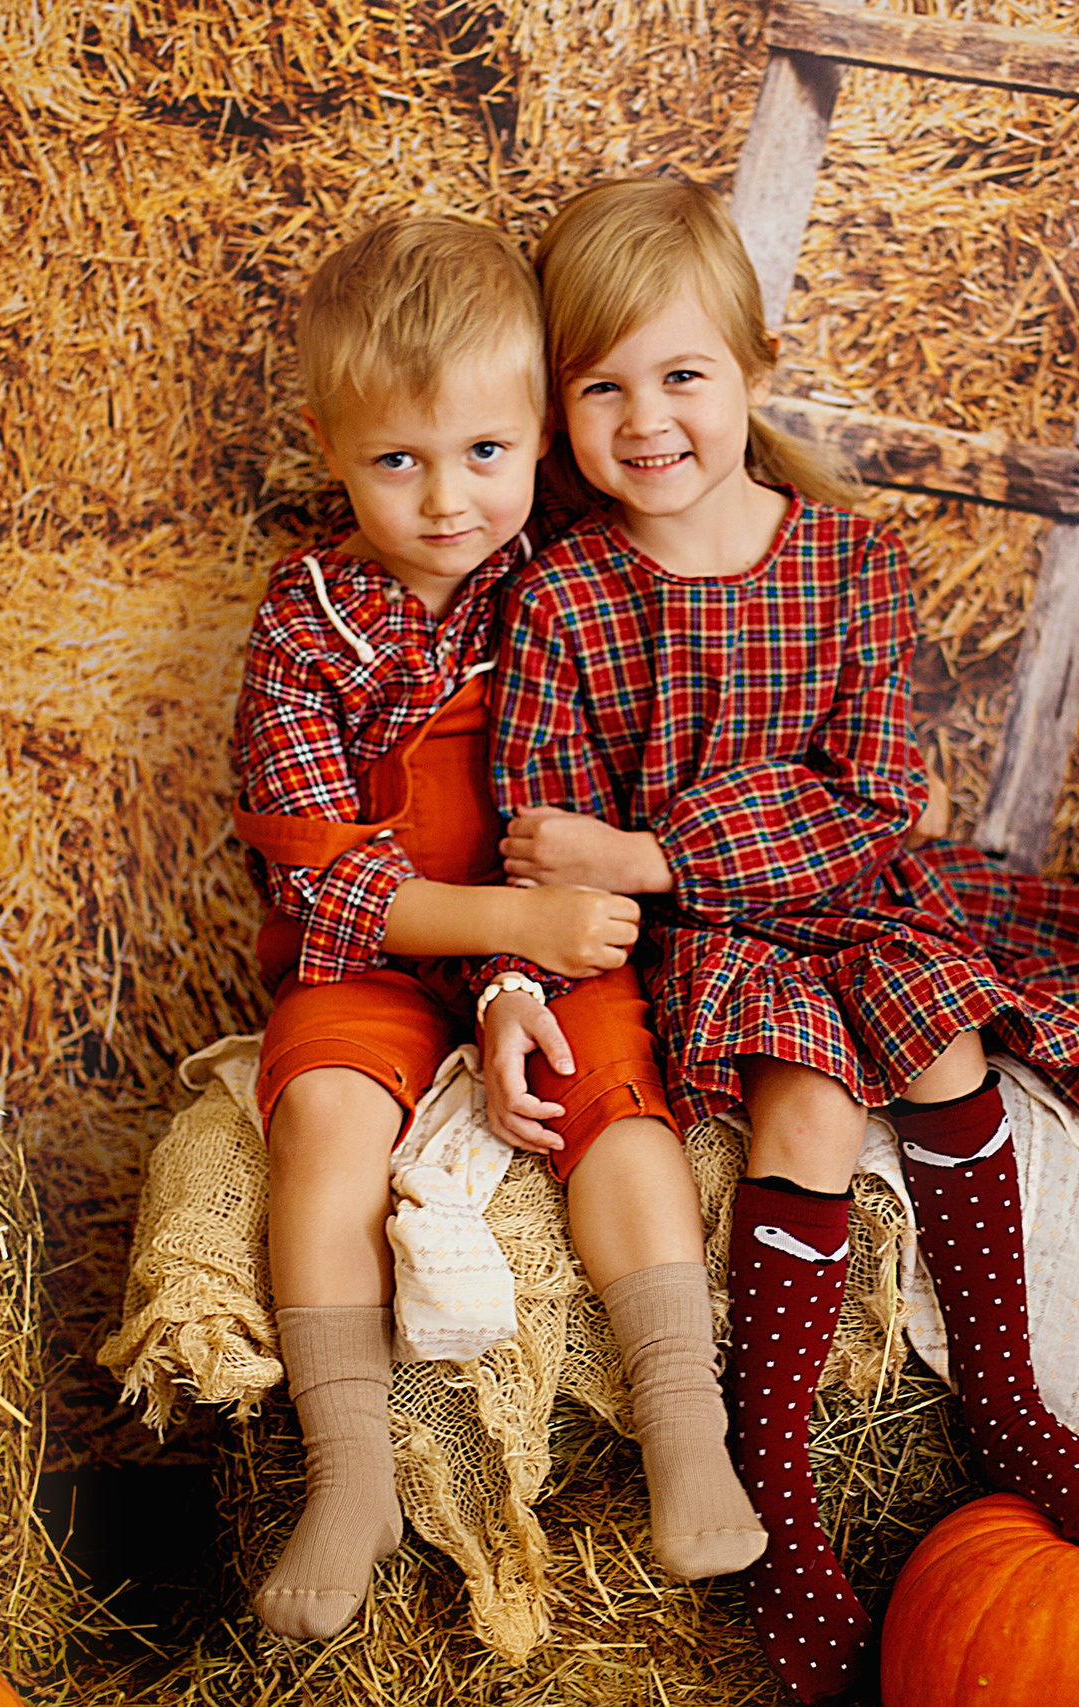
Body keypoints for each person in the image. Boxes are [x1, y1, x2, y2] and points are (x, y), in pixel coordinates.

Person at [493, 178, 1079, 1702]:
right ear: (556, 412)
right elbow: (542, 846)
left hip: (852, 896)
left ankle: (1007, 1399)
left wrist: (656, 848)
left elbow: (873, 810)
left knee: (937, 1025)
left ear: (753, 368)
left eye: (682, 375)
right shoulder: (565, 598)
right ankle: (779, 1485)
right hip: (714, 950)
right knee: (805, 1089)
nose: (646, 419)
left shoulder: (852, 562)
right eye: (599, 388)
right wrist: (549, 948)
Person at [232, 212, 765, 1643]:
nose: (449, 499)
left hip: (551, 939)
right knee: (330, 1121)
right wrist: (491, 934)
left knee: (622, 1106)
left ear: (536, 431)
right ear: (328, 442)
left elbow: (578, 794)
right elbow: (320, 874)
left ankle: (680, 1420)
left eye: (483, 452)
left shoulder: (566, 584)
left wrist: (524, 965)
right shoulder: (304, 625)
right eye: (396, 460)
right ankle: (348, 1474)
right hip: (375, 954)